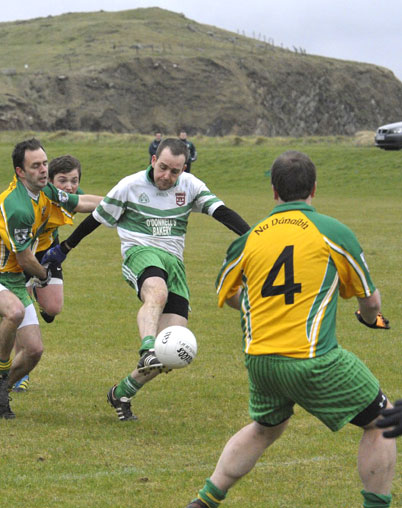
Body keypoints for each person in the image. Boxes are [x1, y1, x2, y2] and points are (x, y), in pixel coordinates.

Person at [186, 151, 395, 508]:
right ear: (314, 188)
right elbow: (370, 301)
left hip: (261, 361)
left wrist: (255, 304)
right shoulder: (332, 232)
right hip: (312, 360)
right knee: (383, 419)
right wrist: (367, 316)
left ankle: (205, 500)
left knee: (266, 427)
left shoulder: (249, 238)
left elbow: (229, 292)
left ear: (273, 191)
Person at [41, 138, 250, 421]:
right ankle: (146, 347)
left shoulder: (191, 186)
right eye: (162, 167)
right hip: (141, 253)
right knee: (156, 292)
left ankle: (122, 392)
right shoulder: (130, 185)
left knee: (173, 348)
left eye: (174, 171)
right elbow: (97, 218)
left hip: (174, 263)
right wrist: (65, 248)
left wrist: (255, 238)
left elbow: (221, 213)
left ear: (183, 169)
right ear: (153, 160)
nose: (166, 176)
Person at [0, 139, 102, 418]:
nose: (43, 170)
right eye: (35, 166)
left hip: (12, 278)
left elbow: (81, 202)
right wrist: (44, 274)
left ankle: (1, 389)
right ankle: (0, 375)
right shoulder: (18, 207)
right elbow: (25, 259)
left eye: (45, 163)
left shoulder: (47, 191)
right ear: (20, 172)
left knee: (34, 350)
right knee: (12, 312)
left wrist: (121, 202)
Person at [12, 154, 89, 392]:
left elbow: (88, 205)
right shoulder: (36, 196)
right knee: (19, 312)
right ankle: (19, 372)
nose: (69, 186)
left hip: (48, 254)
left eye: (74, 180)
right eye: (63, 180)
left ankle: (38, 293)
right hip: (23, 257)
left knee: (54, 308)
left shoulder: (71, 198)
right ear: (49, 180)